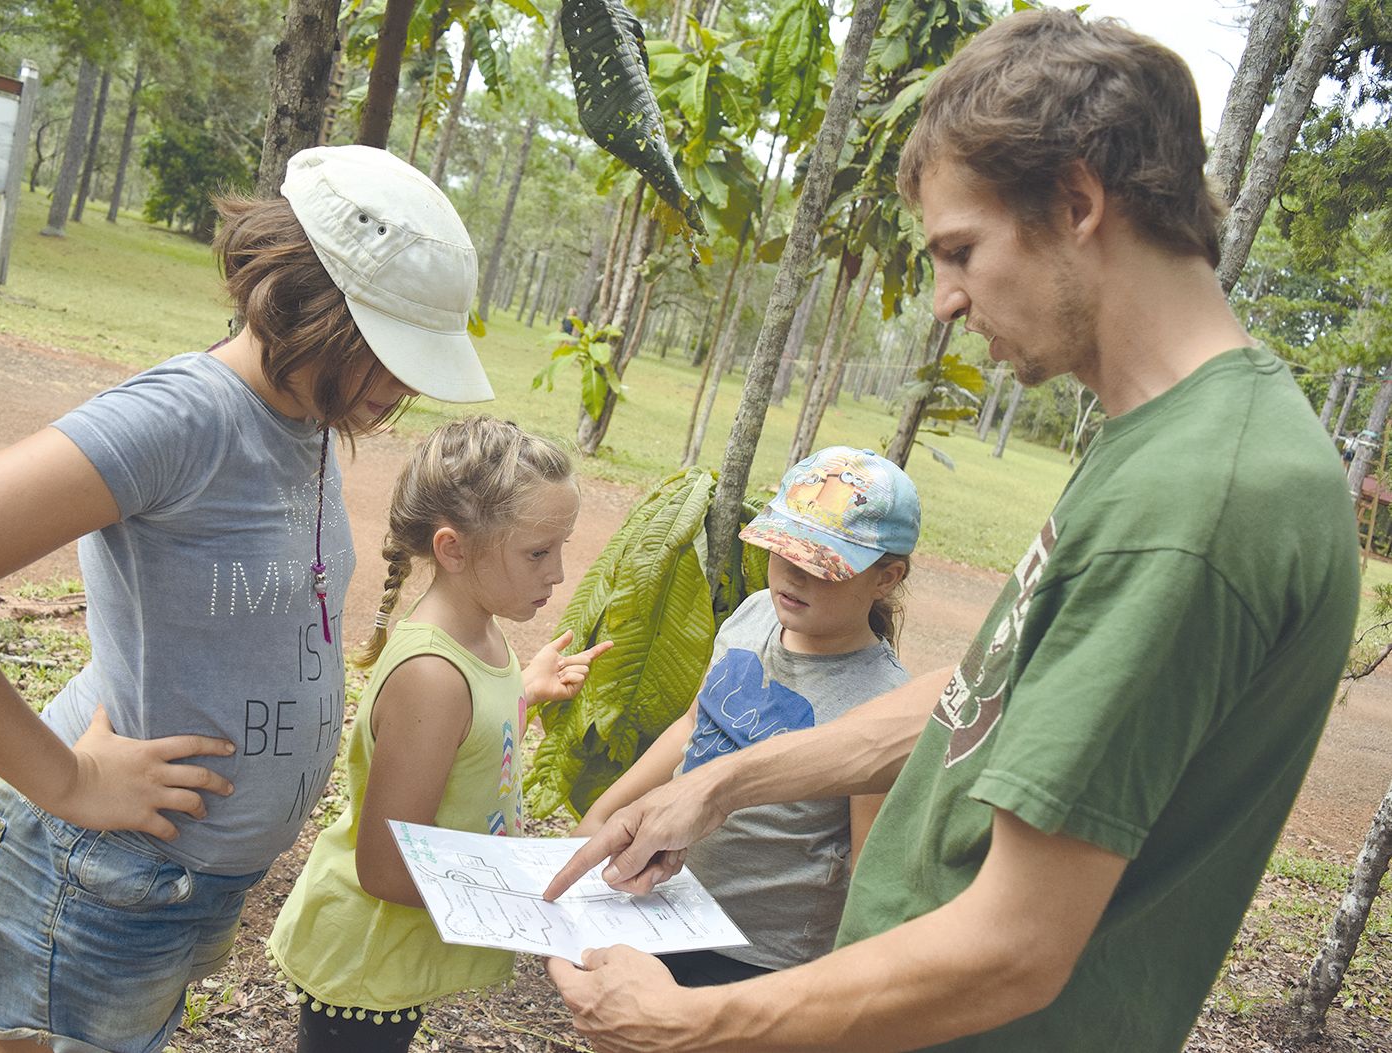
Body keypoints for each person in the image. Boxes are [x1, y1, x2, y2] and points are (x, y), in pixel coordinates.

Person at [541, 11, 1360, 1053]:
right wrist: (720, 783)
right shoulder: (1177, 441)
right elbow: (997, 700)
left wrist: (694, 1023)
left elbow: (1013, 946)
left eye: (960, 250)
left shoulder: (1197, 502)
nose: (943, 301)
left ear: (1075, 201)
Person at [0, 145, 498, 1053]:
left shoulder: (301, 417)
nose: (401, 385)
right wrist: (68, 779)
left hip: (178, 885)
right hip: (96, 874)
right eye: (384, 350)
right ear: (310, 304)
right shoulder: (183, 417)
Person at [266, 415, 611, 1053]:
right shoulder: (432, 674)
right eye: (538, 552)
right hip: (367, 958)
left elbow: (470, 756)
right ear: (453, 549)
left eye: (560, 548)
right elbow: (387, 870)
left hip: (392, 956)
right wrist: (524, 897)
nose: (558, 573)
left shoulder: (480, 630)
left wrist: (523, 694)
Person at [573, 446, 920, 987]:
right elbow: (693, 725)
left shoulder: (882, 705)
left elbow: (867, 863)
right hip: (666, 903)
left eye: (821, 565)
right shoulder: (753, 613)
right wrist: (605, 810)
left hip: (754, 956)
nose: (794, 577)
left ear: (886, 577)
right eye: (785, 553)